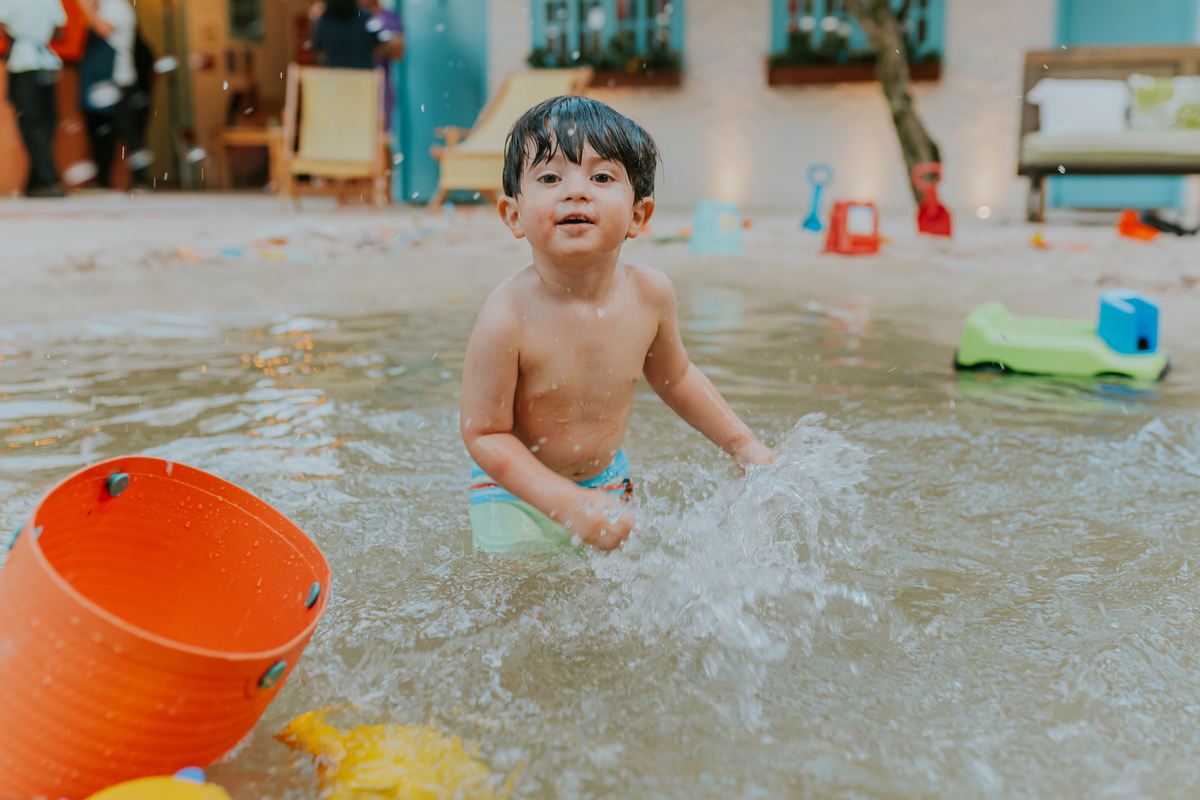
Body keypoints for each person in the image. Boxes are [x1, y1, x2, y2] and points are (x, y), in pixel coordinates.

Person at [460, 97, 776, 553]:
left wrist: (745, 446)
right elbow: (484, 434)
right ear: (514, 215)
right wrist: (565, 503)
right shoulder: (506, 316)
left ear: (638, 216)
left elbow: (678, 378)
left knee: (633, 579)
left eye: (602, 177)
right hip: (514, 493)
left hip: (607, 482)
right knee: (520, 584)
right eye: (549, 178)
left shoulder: (650, 294)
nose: (575, 192)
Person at [78, 0, 149, 189]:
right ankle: (102, 181)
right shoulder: (104, 7)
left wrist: (85, 7)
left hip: (119, 79)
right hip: (102, 80)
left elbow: (103, 28)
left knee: (128, 131)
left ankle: (141, 180)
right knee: (102, 131)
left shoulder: (116, 6)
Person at [0, 0, 68, 197]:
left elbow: (2, 25)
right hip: (46, 61)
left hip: (23, 62)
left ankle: (50, 179)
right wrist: (39, 32)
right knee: (47, 121)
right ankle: (35, 182)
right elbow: (60, 32)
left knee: (30, 123)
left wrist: (21, 32)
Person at [311, 0, 398, 71]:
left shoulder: (323, 21)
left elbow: (319, 53)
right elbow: (380, 46)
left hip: (335, 80)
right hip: (364, 80)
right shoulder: (366, 18)